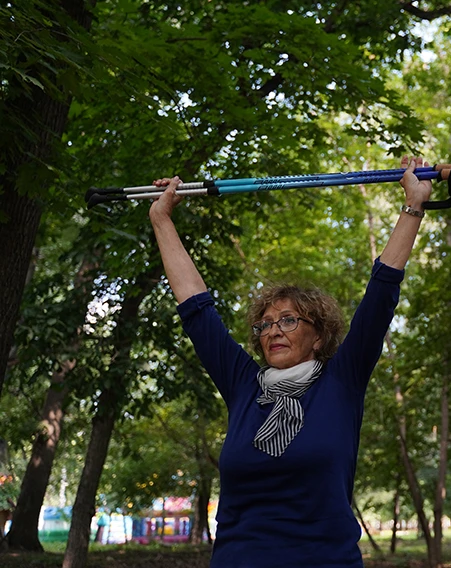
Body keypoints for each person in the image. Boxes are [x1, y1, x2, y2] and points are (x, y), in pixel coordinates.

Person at [149, 157, 432, 567]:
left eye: (288, 320)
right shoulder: (245, 385)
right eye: (264, 325)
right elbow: (196, 310)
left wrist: (413, 207)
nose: (273, 330)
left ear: (318, 336)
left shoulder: (341, 382)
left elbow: (380, 295)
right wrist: (162, 220)